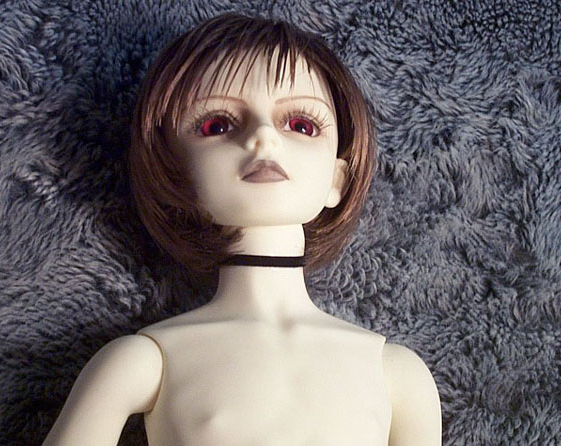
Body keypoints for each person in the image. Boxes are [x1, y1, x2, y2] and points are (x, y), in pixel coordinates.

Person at [43, 13, 441, 446]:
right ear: (173, 173)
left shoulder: (397, 375)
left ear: (337, 180)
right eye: (217, 125)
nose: (265, 138)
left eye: (301, 125)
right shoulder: (143, 363)